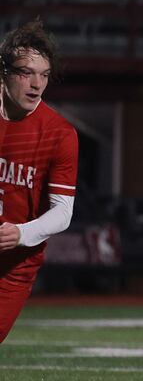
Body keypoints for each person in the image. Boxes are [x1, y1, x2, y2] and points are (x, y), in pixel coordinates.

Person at [0, 20, 78, 343]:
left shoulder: (59, 134)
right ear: (3, 72)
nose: (36, 84)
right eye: (26, 73)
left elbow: (63, 212)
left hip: (14, 265)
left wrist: (21, 233)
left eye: (44, 75)